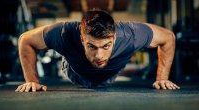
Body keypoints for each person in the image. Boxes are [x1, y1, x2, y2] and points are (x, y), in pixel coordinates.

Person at [15, 9, 180, 92]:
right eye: (92, 46)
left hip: (111, 74)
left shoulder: (131, 34)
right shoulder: (64, 32)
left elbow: (168, 37)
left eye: (106, 46)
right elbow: (26, 40)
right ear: (82, 39)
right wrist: (32, 81)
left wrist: (162, 78)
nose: (99, 55)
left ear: (114, 38)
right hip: (75, 72)